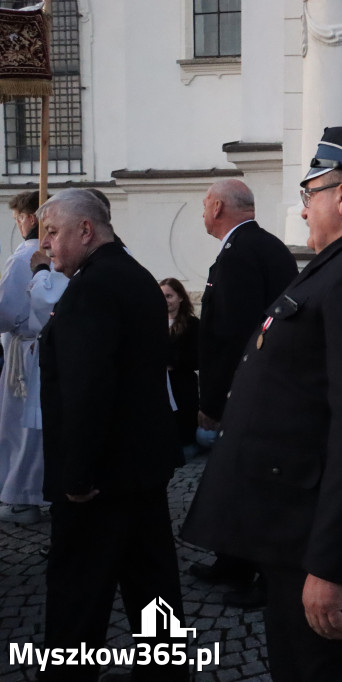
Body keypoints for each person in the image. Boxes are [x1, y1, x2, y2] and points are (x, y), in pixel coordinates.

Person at [181, 126, 342, 681]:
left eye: (310, 196)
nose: (304, 212)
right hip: (299, 528)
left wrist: (333, 564)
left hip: (332, 548)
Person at [37, 189, 186, 681]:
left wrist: (75, 477)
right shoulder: (136, 276)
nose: (46, 245)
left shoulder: (92, 288)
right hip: (140, 466)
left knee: (80, 589)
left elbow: (87, 391)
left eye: (53, 232)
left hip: (99, 479)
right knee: (151, 584)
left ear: (86, 230)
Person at [188, 178, 297, 608]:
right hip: (257, 388)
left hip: (247, 393)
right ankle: (232, 561)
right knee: (234, 481)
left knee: (254, 486)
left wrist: (212, 402)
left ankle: (264, 579)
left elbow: (229, 336)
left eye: (203, 205)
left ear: (217, 207)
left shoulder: (241, 253)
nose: (202, 213)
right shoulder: (260, 245)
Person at [0, 191, 67, 525]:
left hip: (27, 353)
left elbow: (6, 311)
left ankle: (23, 498)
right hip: (54, 348)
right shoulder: (68, 253)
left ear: (27, 217)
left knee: (21, 428)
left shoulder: (28, 253)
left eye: (19, 217)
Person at [159, 277, 199, 456]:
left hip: (182, 386)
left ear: (180, 297)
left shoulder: (192, 325)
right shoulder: (154, 323)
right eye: (162, 296)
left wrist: (172, 363)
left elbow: (196, 357)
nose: (165, 301)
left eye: (169, 296)